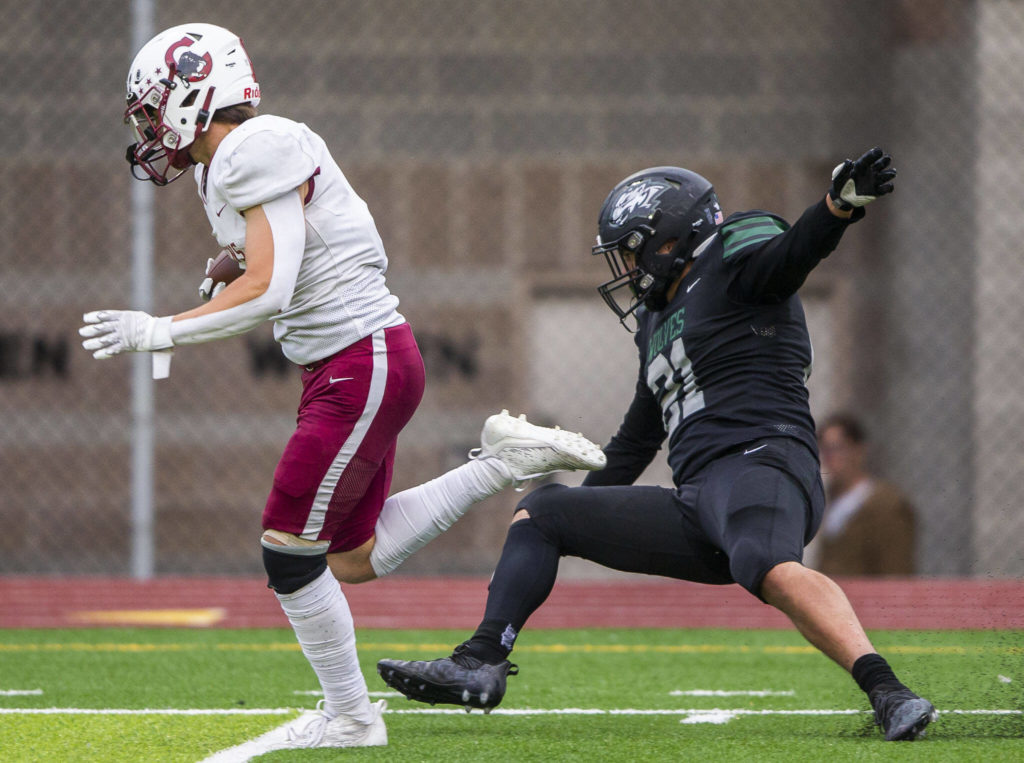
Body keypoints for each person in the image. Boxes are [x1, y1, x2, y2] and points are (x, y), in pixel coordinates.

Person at [78, 23, 605, 754]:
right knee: (349, 556)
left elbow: (272, 286)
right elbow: (285, 247)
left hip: (360, 362)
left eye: (151, 107)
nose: (147, 126)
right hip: (355, 362)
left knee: (287, 550)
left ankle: (350, 716)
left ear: (194, 93)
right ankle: (502, 464)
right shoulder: (226, 163)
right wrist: (233, 258)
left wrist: (160, 329)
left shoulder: (250, 149)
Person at [378, 151, 939, 742]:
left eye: (630, 248)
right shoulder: (657, 319)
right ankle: (481, 660)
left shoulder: (733, 254)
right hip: (698, 501)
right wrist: (582, 519)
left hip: (764, 463)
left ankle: (888, 690)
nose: (625, 265)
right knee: (544, 513)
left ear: (669, 239)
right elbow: (638, 437)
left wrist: (836, 208)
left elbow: (791, 255)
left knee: (765, 562)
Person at [811, 412, 917, 576]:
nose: (829, 458)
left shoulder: (885, 504)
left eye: (837, 449)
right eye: (824, 450)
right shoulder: (827, 500)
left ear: (858, 450)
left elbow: (896, 568)